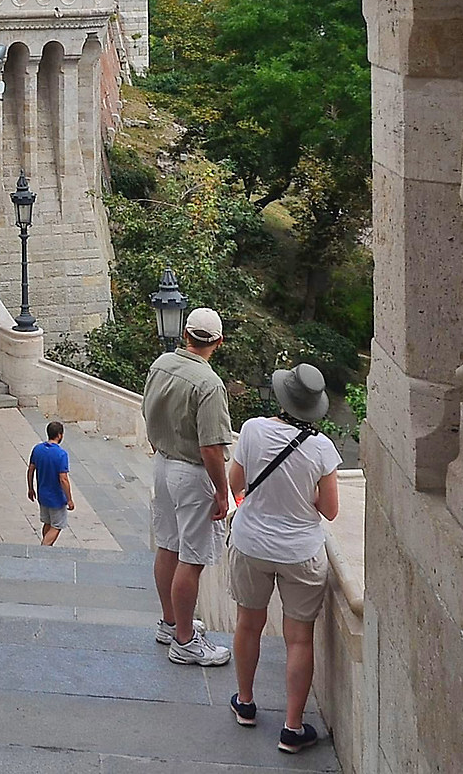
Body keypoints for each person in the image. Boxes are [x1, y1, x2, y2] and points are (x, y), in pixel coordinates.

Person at [225, 363, 344, 756]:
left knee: (248, 622)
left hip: (251, 543)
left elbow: (235, 484)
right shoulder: (322, 449)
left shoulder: (254, 430)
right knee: (298, 638)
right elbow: (330, 511)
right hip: (299, 552)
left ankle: (245, 702)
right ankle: (292, 728)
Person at [142, 306, 235, 665]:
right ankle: (185, 641)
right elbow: (211, 447)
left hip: (162, 464)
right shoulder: (210, 385)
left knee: (167, 545)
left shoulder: (161, 365)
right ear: (218, 342)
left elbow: (148, 412)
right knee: (191, 559)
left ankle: (170, 624)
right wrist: (222, 492)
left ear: (185, 335)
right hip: (191, 473)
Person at [28, 420, 74, 545]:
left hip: (42, 494)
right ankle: (44, 548)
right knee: (57, 525)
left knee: (47, 523)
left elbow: (31, 469)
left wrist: (30, 488)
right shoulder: (61, 454)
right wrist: (69, 499)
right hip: (56, 498)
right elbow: (63, 478)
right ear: (59, 435)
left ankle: (48, 547)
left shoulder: (37, 449)